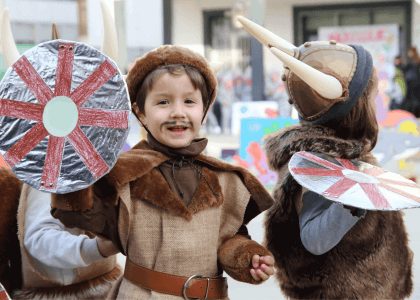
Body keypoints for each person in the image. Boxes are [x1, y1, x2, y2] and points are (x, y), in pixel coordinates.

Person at [52, 45, 275, 299]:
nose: (177, 112)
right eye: (163, 102)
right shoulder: (121, 174)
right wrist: (72, 156)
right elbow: (79, 212)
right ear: (140, 112)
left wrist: (247, 258)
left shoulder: (225, 179)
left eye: (189, 101)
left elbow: (228, 239)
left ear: (203, 109)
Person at [238, 17, 413, 299]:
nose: (375, 100)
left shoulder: (340, 151)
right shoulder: (321, 161)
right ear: (353, 109)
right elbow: (314, 239)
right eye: (369, 96)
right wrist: (354, 197)